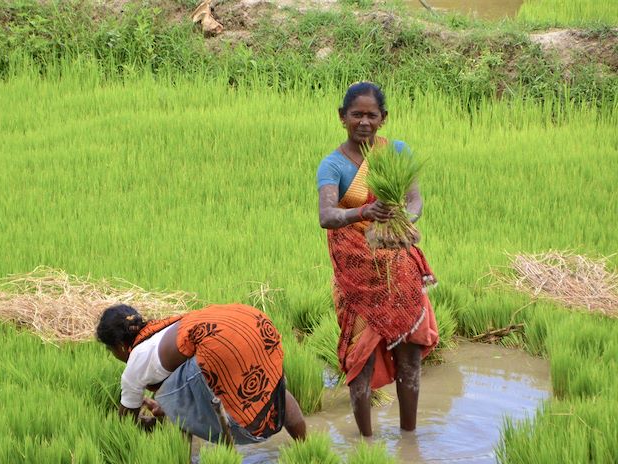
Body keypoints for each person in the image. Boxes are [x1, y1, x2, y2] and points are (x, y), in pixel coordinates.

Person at [316, 82, 438, 437]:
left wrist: (400, 222)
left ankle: (409, 439)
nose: (364, 122)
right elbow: (327, 215)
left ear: (383, 118)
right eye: (357, 115)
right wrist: (365, 212)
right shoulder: (333, 164)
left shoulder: (397, 152)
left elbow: (414, 201)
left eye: (372, 115)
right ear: (343, 118)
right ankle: (365, 442)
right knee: (361, 357)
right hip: (356, 275)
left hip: (397, 266)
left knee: (409, 352)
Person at [96, 302, 307, 444]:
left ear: (120, 347)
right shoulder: (163, 328)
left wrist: (151, 422)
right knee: (274, 389)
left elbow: (125, 424)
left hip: (220, 341)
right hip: (250, 321)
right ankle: (305, 447)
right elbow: (190, 379)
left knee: (175, 399)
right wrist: (164, 409)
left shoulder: (134, 366)